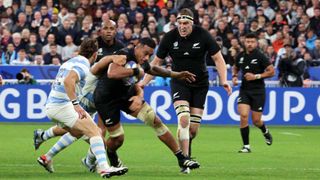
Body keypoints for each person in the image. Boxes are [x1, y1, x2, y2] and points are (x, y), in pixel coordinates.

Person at [139, 8, 232, 173]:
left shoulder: (203, 35)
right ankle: (185, 160)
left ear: (192, 23)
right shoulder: (170, 37)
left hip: (200, 84)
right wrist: (142, 84)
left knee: (193, 130)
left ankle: (186, 153)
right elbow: (156, 63)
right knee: (183, 119)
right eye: (180, 23)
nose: (182, 26)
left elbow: (218, 58)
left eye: (186, 23)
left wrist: (224, 80)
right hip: (179, 83)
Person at [91, 37, 200, 173]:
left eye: (150, 54)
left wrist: (177, 75)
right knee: (118, 139)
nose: (147, 57)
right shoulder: (124, 54)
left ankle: (181, 158)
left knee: (155, 120)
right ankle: (111, 154)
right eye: (146, 53)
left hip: (126, 95)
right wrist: (135, 72)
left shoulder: (141, 60)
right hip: (106, 99)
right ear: (138, 46)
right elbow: (112, 73)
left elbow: (153, 69)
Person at [35, 38, 127, 178]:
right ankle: (104, 168)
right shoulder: (83, 65)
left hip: (52, 105)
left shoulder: (70, 61)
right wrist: (75, 104)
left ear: (79, 50)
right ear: (95, 54)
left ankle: (46, 157)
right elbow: (68, 80)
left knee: (77, 132)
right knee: (95, 132)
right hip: (62, 106)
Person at [232, 33, 275, 153]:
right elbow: (235, 67)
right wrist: (234, 76)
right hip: (244, 90)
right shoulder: (240, 55)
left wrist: (256, 76)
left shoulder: (260, 56)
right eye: (247, 41)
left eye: (252, 42)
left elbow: (272, 71)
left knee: (256, 121)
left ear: (256, 43)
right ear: (244, 42)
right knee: (243, 115)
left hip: (258, 91)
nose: (249, 44)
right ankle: (246, 146)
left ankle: (265, 131)